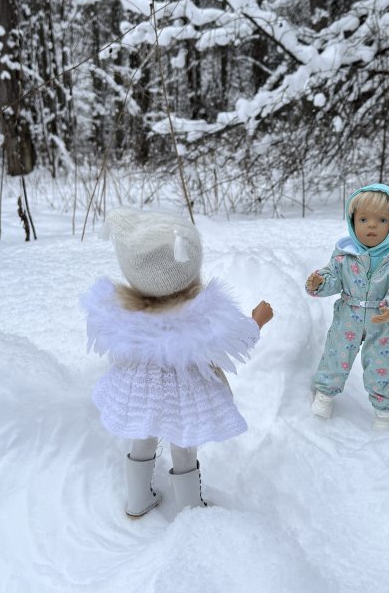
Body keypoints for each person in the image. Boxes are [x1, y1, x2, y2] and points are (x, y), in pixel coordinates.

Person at [82, 207, 273, 517]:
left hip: (140, 389)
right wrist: (256, 321)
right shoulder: (201, 314)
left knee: (143, 435)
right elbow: (237, 337)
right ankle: (189, 507)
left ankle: (138, 499)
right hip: (185, 392)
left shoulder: (122, 311)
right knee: (184, 441)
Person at [305, 184, 389, 428]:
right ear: (352, 220)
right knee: (336, 355)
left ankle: (383, 412)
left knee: (383, 365)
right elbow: (333, 279)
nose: (371, 225)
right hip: (348, 315)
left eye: (382, 220)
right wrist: (320, 282)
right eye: (364, 219)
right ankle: (325, 395)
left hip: (382, 324)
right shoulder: (345, 256)